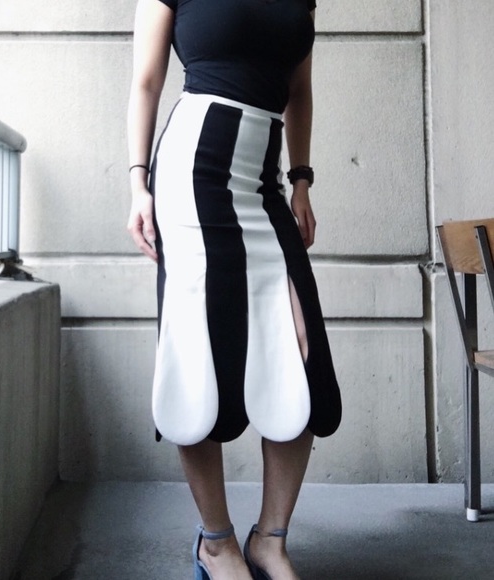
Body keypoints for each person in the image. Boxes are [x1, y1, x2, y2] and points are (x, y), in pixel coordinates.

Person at [127, 1, 342, 578]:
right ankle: (217, 544)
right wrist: (138, 184)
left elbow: (299, 89)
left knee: (300, 353)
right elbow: (146, 82)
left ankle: (270, 540)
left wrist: (301, 179)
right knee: (198, 353)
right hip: (192, 174)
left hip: (263, 178)